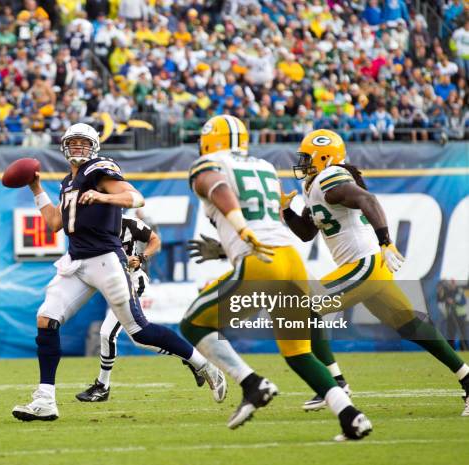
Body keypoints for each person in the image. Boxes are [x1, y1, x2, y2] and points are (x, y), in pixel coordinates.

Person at [12, 123, 224, 422]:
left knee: (140, 332)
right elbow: (55, 222)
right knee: (46, 319)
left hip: (105, 260)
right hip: (76, 262)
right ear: (63, 146)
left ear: (95, 148)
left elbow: (135, 197)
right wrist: (36, 189)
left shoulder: (99, 170)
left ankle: (203, 364)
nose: (77, 149)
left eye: (84, 144)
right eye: (72, 143)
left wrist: (103, 197)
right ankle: (45, 399)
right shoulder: (67, 182)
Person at [180, 115, 371, 440]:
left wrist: (238, 228)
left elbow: (216, 186)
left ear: (211, 140)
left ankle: (252, 383)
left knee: (192, 324)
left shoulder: (208, 163)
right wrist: (230, 244)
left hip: (259, 261)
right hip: (289, 260)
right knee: (298, 353)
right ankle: (351, 417)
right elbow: (265, 221)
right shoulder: (264, 166)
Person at [280, 129, 469, 417]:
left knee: (304, 307)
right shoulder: (315, 185)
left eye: (307, 158)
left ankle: (334, 384)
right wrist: (287, 212)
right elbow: (307, 233)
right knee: (412, 326)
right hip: (368, 268)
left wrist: (386, 241)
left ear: (324, 157)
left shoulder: (330, 177)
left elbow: (367, 200)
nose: (303, 163)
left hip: (364, 264)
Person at [76, 214, 204, 402]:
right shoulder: (93, 225)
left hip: (132, 282)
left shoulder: (129, 223)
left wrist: (141, 257)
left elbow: (155, 240)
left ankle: (102, 386)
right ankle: (190, 357)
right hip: (113, 285)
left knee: (107, 334)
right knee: (139, 340)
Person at [437, 280, 468, 351]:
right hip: (450, 316)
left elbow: (463, 302)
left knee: (463, 334)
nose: (451, 285)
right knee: (450, 334)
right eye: (450, 284)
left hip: (460, 316)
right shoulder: (447, 292)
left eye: (452, 283)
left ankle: (464, 349)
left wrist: (453, 301)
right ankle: (451, 349)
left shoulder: (459, 291)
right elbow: (441, 300)